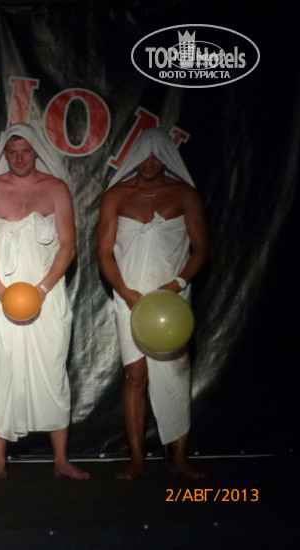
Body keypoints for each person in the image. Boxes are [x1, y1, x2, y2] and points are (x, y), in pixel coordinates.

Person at [0, 123, 89, 483]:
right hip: (1, 296)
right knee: (0, 369)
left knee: (52, 372)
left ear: (37, 150)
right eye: (12, 152)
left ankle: (61, 460)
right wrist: (1, 292)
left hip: (46, 294)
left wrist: (41, 289)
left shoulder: (56, 188)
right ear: (4, 154)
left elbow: (68, 245)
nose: (19, 158)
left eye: (25, 150)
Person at [97, 127, 208, 480]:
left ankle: (179, 459)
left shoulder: (185, 194)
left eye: (155, 156)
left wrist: (176, 284)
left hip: (172, 299)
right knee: (136, 374)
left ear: (166, 158)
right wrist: (125, 291)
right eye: (142, 155)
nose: (148, 163)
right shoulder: (116, 196)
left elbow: (201, 249)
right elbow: (104, 253)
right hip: (128, 297)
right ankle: (136, 460)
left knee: (175, 376)